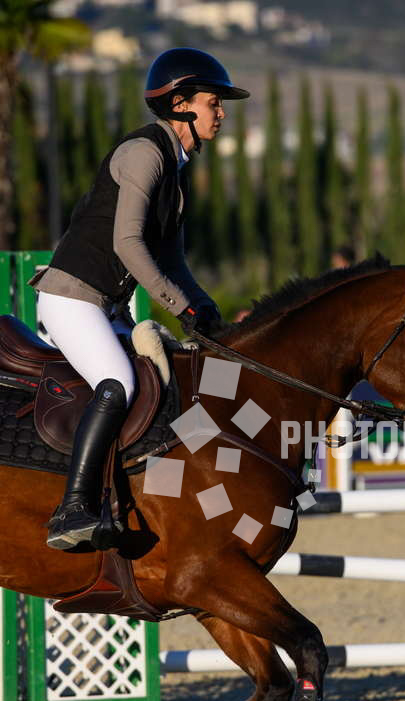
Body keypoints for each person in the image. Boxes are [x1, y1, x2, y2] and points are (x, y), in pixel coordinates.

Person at [28, 47, 250, 551]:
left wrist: (203, 306)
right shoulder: (144, 153)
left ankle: (149, 500)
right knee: (118, 384)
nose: (221, 113)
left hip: (103, 304)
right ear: (180, 104)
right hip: (71, 298)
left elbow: (172, 260)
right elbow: (128, 243)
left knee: (165, 381)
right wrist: (178, 304)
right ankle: (72, 509)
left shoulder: (176, 169)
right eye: (213, 102)